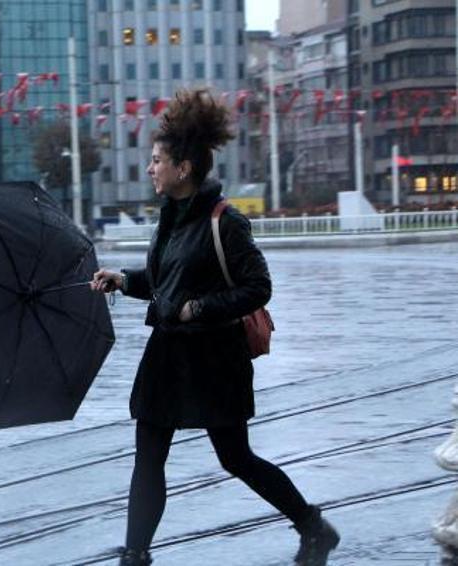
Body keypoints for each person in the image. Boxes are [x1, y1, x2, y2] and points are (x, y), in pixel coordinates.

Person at [90, 89, 340, 566]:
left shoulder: (225, 222)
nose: (150, 169)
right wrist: (123, 281)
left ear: (183, 169)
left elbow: (257, 288)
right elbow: (167, 284)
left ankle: (312, 525)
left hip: (214, 361)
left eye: (157, 160)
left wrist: (198, 310)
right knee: (148, 459)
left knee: (235, 458)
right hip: (167, 357)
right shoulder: (169, 220)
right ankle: (136, 555)